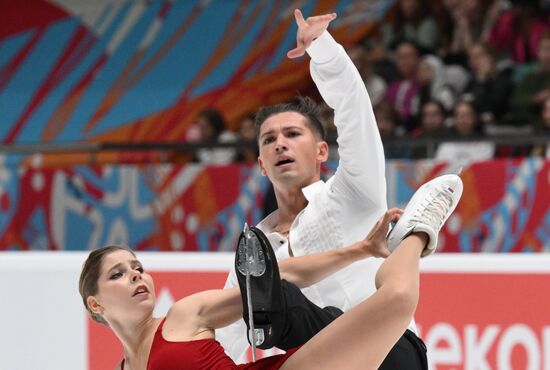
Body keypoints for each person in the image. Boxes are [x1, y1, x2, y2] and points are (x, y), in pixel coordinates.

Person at [217, 9, 426, 370]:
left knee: (278, 292)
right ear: (261, 165)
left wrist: (322, 48)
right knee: (264, 292)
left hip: (391, 353)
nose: (280, 144)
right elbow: (224, 337)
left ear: (321, 151)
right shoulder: (256, 249)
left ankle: (424, 226)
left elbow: (354, 108)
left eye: (292, 134)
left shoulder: (354, 192)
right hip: (324, 360)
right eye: (269, 140)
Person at [79, 174, 464, 369]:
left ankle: (416, 231)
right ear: (95, 304)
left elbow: (276, 278)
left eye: (138, 268)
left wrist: (360, 250)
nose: (135, 276)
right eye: (117, 274)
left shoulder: (182, 317)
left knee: (395, 300)